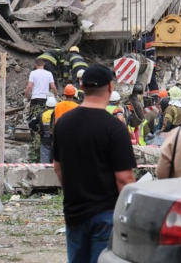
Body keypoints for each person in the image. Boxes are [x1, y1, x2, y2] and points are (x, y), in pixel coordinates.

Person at [52, 65, 137, 263]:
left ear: (81, 86)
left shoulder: (63, 123)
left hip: (74, 211)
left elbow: (58, 167)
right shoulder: (115, 127)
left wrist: (74, 191)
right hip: (106, 214)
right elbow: (124, 178)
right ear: (110, 87)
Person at [36, 97, 57, 163]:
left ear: (46, 105)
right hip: (56, 141)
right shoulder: (58, 114)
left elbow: (31, 123)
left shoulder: (42, 114)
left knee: (44, 164)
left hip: (45, 140)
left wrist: (38, 131)